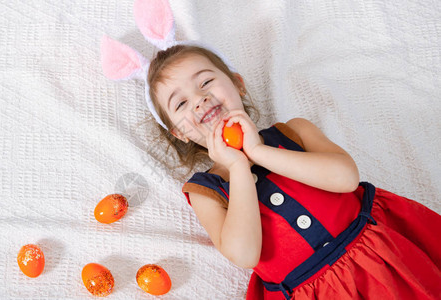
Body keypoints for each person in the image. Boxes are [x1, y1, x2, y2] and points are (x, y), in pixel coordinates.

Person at [100, 1, 441, 298]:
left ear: (237, 84)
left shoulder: (294, 132)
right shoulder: (207, 190)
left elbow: (346, 178)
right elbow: (245, 253)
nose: (200, 99)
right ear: (180, 132)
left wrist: (259, 152)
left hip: (381, 256)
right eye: (181, 102)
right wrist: (237, 168)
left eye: (205, 82)